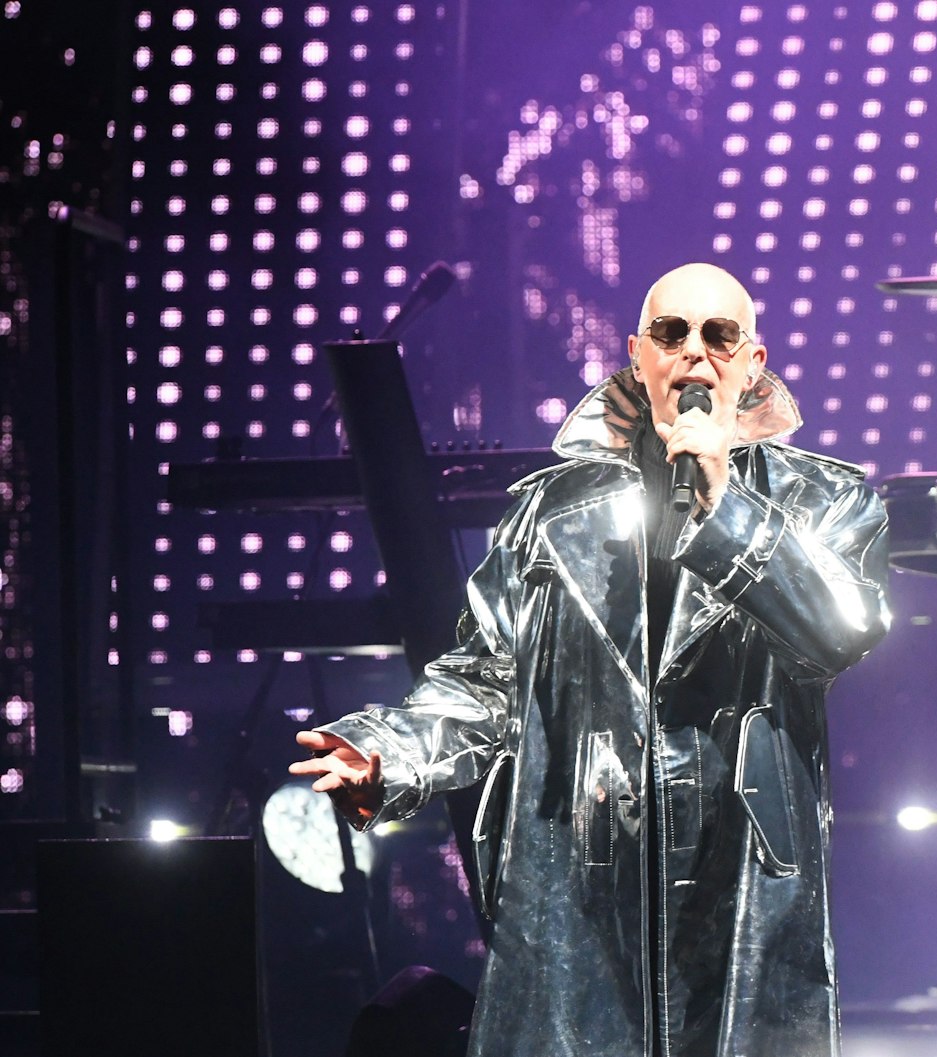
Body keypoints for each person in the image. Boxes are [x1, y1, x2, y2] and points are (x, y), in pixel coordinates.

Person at [290, 262, 891, 1057]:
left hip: (741, 874)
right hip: (580, 876)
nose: (696, 355)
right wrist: (389, 753)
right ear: (638, 357)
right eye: (673, 335)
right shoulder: (550, 510)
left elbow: (842, 631)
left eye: (721, 336)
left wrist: (727, 507)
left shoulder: (828, 502)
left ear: (753, 362)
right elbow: (486, 678)